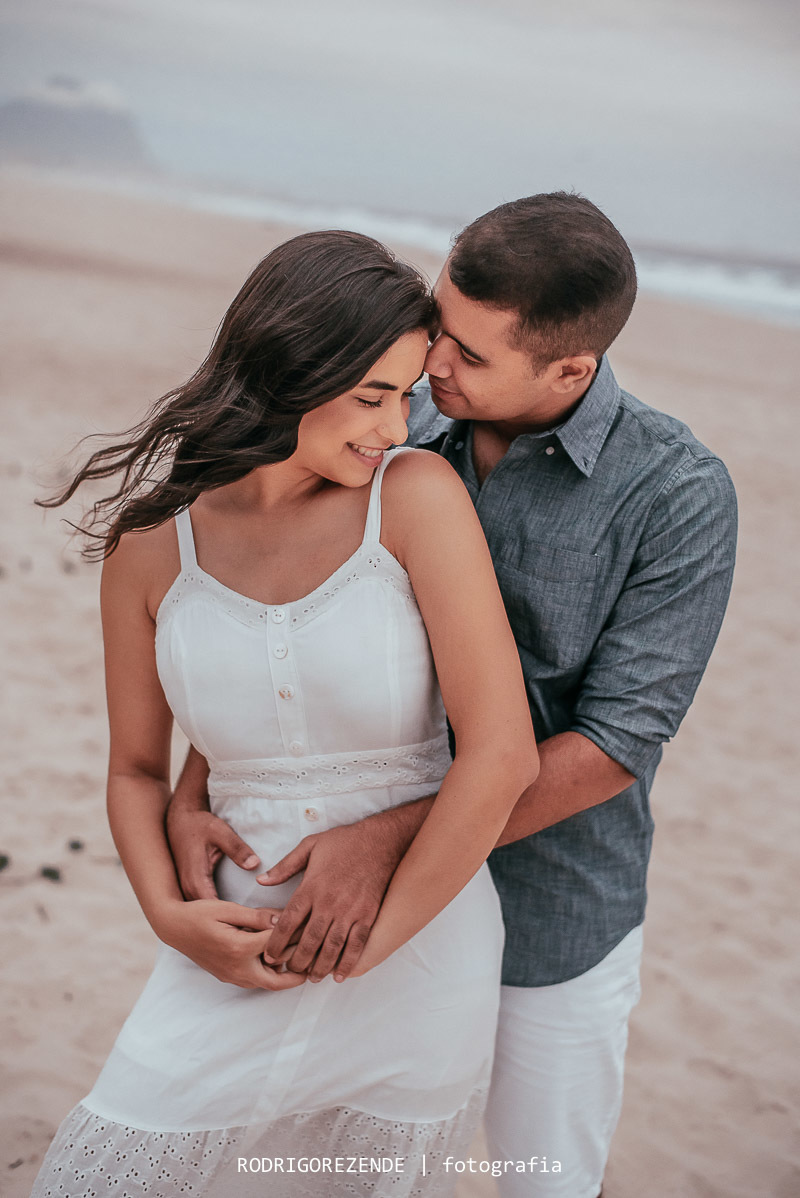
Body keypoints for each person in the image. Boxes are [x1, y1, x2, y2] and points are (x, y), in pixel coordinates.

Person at [168, 194, 738, 1198]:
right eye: (441, 323)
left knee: (542, 1178)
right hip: (322, 881)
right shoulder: (389, 420)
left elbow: (614, 742)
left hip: (549, 905)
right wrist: (191, 782)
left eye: (469, 355)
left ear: (569, 368)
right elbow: (277, 602)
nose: (432, 366)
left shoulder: (676, 491)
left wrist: (383, 841)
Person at [29, 229, 539, 1198]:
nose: (395, 428)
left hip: (419, 953)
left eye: (407, 395)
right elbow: (136, 768)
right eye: (371, 397)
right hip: (226, 952)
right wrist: (169, 919)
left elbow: (500, 757)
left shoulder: (416, 499)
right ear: (288, 372)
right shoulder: (150, 548)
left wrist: (364, 947)